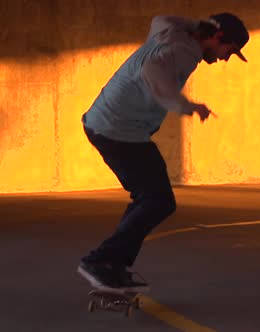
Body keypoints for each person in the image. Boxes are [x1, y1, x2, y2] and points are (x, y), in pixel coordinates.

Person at [77, 13, 249, 292]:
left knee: (149, 198)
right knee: (158, 201)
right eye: (228, 50)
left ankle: (112, 264)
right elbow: (151, 71)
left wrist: (195, 25)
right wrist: (185, 105)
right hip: (118, 129)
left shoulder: (171, 33)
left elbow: (161, 17)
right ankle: (100, 261)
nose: (225, 58)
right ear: (218, 37)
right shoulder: (184, 50)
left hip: (112, 124)